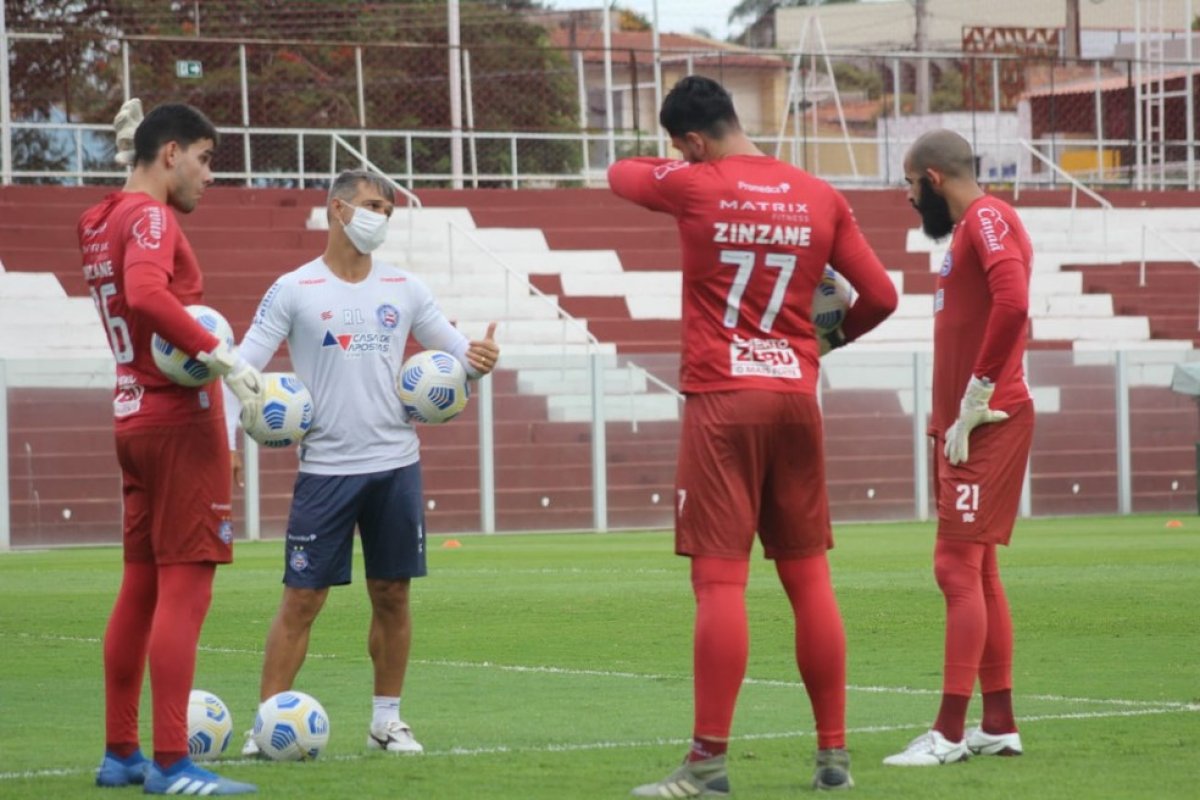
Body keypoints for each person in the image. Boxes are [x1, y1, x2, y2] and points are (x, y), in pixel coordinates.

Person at [608, 76, 898, 795]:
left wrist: (682, 166)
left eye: (683, 146)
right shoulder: (819, 194)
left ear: (692, 140)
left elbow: (621, 175)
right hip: (795, 396)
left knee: (719, 582)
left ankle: (707, 763)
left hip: (723, 399)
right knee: (809, 578)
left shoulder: (695, 184)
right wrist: (827, 343)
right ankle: (833, 760)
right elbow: (882, 296)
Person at [226, 169, 500, 757]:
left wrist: (479, 359)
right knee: (302, 600)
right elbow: (241, 369)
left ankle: (386, 722)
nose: (381, 217)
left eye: (389, 211)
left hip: (396, 465)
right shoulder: (294, 288)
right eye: (373, 205)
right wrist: (227, 443)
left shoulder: (406, 288)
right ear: (338, 209)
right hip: (325, 469)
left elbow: (458, 360)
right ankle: (265, 724)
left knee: (392, 594)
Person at [81, 100, 262, 794]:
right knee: (184, 594)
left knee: (139, 587)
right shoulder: (152, 219)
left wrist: (136, 162)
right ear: (170, 154)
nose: (210, 175)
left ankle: (121, 752)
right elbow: (147, 293)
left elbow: (125, 248)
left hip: (131, 414)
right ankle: (171, 763)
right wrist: (223, 356)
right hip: (180, 420)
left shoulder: (99, 217)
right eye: (205, 159)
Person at [883, 130, 1034, 767]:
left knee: (953, 568)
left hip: (986, 421)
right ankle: (997, 724)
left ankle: (947, 734)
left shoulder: (989, 217)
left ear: (933, 179)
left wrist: (977, 392)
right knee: (979, 571)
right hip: (963, 424)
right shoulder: (970, 229)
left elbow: (1014, 301)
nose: (909, 198)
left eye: (909, 185)